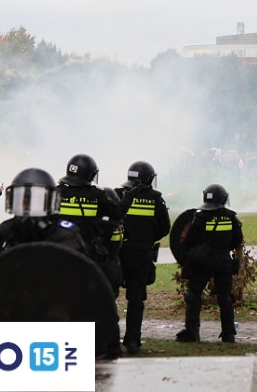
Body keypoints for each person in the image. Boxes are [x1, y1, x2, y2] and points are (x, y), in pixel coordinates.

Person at [56, 154, 124, 359]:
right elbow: (116, 216)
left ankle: (69, 350)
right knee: (102, 302)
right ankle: (111, 348)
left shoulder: (56, 193)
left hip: (62, 256)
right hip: (92, 258)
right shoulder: (98, 195)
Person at [115, 161, 171, 355]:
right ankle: (132, 340)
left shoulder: (118, 194)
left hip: (119, 254)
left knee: (110, 296)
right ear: (148, 178)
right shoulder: (155, 199)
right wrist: (147, 237)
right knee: (136, 300)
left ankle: (110, 339)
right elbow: (165, 228)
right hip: (142, 254)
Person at [176, 184, 243, 344]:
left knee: (193, 295)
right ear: (224, 199)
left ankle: (192, 333)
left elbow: (190, 240)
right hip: (223, 261)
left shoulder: (199, 217)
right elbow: (237, 240)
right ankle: (228, 334)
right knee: (225, 298)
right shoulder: (231, 217)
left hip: (202, 262)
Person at [0, 167, 86, 258]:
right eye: (25, 202)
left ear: (50, 203)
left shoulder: (66, 235)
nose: (29, 209)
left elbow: (81, 270)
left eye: (37, 202)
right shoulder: (8, 231)